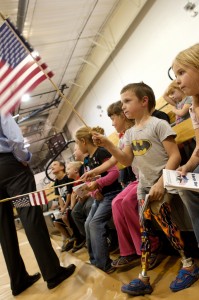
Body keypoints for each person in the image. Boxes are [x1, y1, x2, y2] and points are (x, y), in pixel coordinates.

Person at [92, 82, 198, 295]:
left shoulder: (158, 124)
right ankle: (144, 277)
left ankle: (188, 264)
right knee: (144, 230)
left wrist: (161, 182)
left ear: (144, 101)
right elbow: (125, 159)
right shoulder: (130, 134)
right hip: (144, 186)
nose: (123, 107)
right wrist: (108, 145)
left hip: (162, 182)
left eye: (127, 101)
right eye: (122, 102)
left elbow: (175, 156)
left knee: (167, 224)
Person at [0, 113, 76, 296]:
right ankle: (52, 272)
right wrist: (24, 158)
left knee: (3, 227)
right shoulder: (1, 104)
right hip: (12, 171)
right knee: (29, 216)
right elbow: (15, 140)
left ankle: (18, 280)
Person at [75, 126, 122, 273]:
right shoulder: (88, 160)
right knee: (88, 223)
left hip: (112, 193)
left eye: (76, 143)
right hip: (100, 196)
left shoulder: (101, 152)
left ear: (83, 141)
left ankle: (105, 264)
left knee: (95, 224)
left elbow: (114, 173)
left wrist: (98, 184)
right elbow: (92, 179)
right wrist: (94, 190)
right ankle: (95, 260)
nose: (76, 147)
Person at [172, 43, 199, 254]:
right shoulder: (193, 108)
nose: (177, 81)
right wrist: (187, 166)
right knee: (186, 187)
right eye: (175, 74)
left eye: (182, 72)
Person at [71, 144, 94, 251]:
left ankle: (97, 238)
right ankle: (87, 238)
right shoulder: (84, 165)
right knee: (74, 212)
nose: (74, 152)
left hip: (95, 192)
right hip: (89, 193)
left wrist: (85, 194)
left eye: (75, 149)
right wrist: (82, 194)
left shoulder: (88, 162)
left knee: (88, 207)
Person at [51, 160, 74, 251]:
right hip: (65, 206)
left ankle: (77, 236)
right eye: (51, 165)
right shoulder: (56, 182)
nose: (52, 167)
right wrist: (61, 208)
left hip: (72, 203)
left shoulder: (68, 178)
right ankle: (69, 239)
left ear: (62, 167)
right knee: (56, 222)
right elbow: (60, 197)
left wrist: (64, 208)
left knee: (65, 217)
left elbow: (69, 194)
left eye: (55, 164)